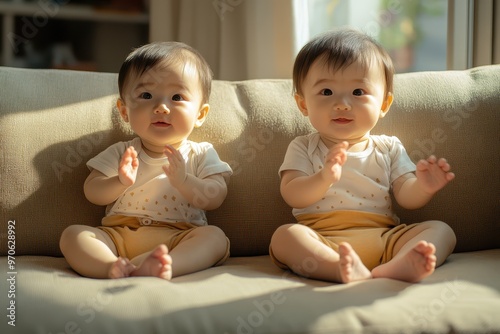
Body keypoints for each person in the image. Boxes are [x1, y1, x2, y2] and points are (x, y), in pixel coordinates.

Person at [269, 28, 456, 284]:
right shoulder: (304, 146)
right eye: (326, 92)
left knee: (442, 231)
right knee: (284, 237)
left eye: (358, 92)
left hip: (384, 238)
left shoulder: (388, 147)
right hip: (321, 238)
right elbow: (292, 193)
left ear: (383, 105)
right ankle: (337, 267)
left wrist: (424, 187)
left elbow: (406, 196)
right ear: (303, 105)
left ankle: (399, 264)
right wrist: (323, 177)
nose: (343, 104)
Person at [60, 42, 232, 280]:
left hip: (178, 238)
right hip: (118, 237)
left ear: (200, 114)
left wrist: (185, 181)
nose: (161, 107)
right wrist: (120, 181)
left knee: (214, 238)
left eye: (177, 97)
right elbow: (92, 191)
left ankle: (167, 265)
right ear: (124, 111)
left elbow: (216, 196)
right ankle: (112, 267)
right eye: (146, 95)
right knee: (73, 235)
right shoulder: (123, 152)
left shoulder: (201, 153)